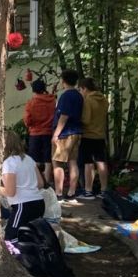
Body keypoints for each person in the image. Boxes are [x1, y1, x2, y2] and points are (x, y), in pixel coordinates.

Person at [1, 130, 45, 242]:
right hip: (39, 202)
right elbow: (40, 184)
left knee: (10, 239)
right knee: (30, 237)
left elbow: (10, 192)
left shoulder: (8, 163)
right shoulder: (28, 159)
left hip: (23, 205)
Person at [52, 69, 84, 201]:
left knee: (57, 163)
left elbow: (63, 116)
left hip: (65, 133)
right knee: (73, 162)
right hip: (76, 131)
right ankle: (71, 192)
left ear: (63, 81)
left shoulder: (66, 96)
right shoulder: (79, 95)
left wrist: (56, 134)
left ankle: (58, 193)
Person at [79, 78, 109, 200]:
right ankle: (104, 190)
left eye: (81, 90)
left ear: (85, 88)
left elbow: (86, 120)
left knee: (88, 163)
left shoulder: (88, 100)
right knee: (101, 162)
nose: (81, 92)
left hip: (88, 135)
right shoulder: (104, 100)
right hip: (100, 135)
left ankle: (88, 191)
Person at [23, 79, 56, 186]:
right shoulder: (52, 101)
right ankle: (47, 182)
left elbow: (27, 120)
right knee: (48, 159)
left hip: (35, 134)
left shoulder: (31, 103)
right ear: (44, 88)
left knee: (34, 159)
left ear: (33, 90)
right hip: (49, 133)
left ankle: (36, 182)